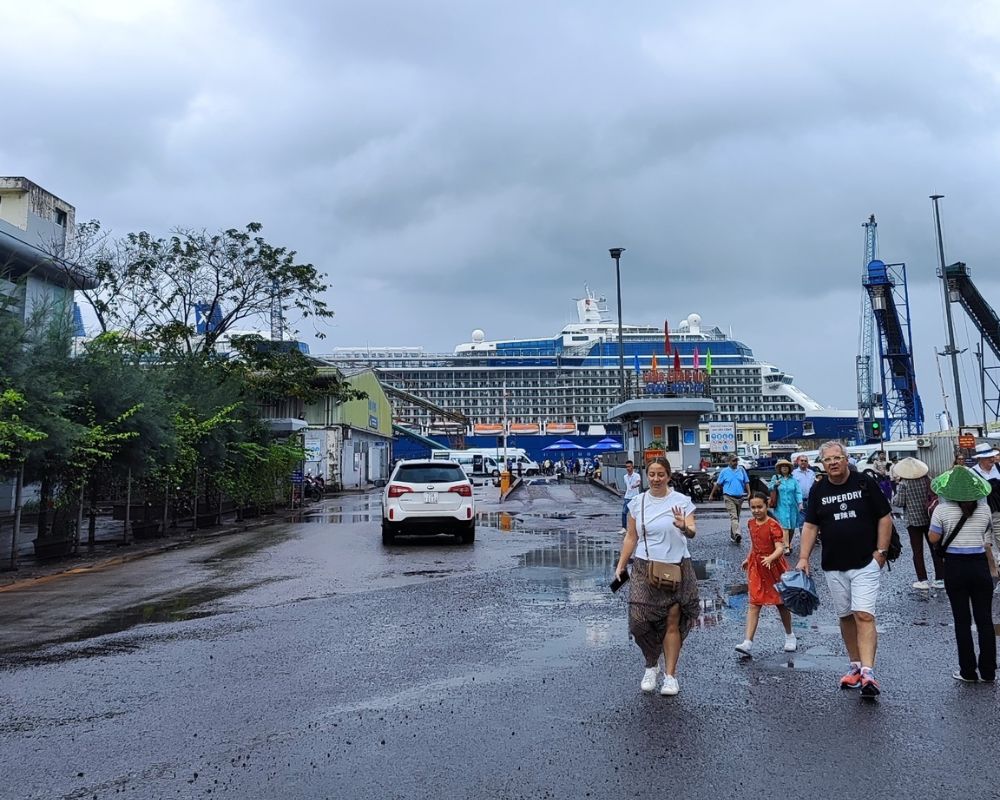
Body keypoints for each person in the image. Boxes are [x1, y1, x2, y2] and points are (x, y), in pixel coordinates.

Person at [796, 440, 893, 698]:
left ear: (846, 458)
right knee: (846, 616)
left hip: (865, 562)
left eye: (837, 458)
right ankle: (855, 666)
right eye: (828, 460)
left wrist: (881, 553)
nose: (833, 463)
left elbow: (885, 516)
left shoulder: (864, 483)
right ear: (823, 463)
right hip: (833, 564)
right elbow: (810, 526)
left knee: (864, 615)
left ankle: (869, 674)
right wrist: (803, 557)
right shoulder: (818, 490)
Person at [614, 457, 699, 697]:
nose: (656, 478)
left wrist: (683, 526)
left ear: (669, 476)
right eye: (652, 474)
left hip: (675, 566)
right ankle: (651, 664)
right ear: (647, 476)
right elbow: (631, 537)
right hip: (644, 565)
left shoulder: (682, 501)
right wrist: (621, 565)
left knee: (672, 621)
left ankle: (670, 677)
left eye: (661, 474)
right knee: (638, 620)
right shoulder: (638, 502)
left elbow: (692, 532)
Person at [927, 466, 997, 683]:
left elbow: (933, 538)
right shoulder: (985, 510)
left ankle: (968, 671)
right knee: (985, 619)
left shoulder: (941, 510)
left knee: (962, 621)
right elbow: (986, 538)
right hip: (979, 566)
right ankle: (988, 671)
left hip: (955, 567)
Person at [735, 492, 796, 657]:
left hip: (774, 568)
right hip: (757, 567)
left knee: (781, 603)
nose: (756, 510)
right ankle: (748, 642)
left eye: (759, 507)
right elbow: (754, 545)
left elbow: (780, 548)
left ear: (766, 505)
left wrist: (770, 558)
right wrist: (748, 559)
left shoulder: (773, 525)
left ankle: (790, 635)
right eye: (753, 507)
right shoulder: (750, 523)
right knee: (754, 603)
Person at [890, 457, 942, 590]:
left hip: (913, 521)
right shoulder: (927, 479)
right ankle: (940, 578)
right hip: (930, 518)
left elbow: (899, 502)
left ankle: (923, 580)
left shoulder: (903, 484)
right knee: (934, 549)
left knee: (917, 551)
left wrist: (894, 495)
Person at [708, 454, 750, 544]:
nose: (735, 463)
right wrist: (711, 495)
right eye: (733, 461)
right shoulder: (724, 472)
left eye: (736, 461)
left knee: (736, 517)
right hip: (728, 496)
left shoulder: (741, 470)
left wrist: (749, 493)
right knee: (734, 516)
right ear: (729, 462)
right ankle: (738, 534)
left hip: (740, 497)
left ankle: (733, 535)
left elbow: (746, 482)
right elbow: (718, 484)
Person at [969, 442, 1000, 553]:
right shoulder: (972, 473)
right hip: (981, 512)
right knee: (985, 543)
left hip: (998, 512)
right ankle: (991, 567)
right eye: (988, 458)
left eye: (992, 456)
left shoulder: (998, 467)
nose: (992, 459)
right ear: (980, 459)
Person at [767, 459, 803, 555]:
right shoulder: (776, 478)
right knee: (784, 527)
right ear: (779, 468)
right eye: (782, 467)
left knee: (791, 527)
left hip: (792, 507)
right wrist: (775, 484)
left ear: (789, 469)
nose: (784, 468)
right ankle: (786, 547)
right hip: (780, 506)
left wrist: (800, 503)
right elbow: (769, 487)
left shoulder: (793, 480)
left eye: (786, 467)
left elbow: (798, 492)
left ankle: (788, 543)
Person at [619, 460, 643, 534]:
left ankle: (638, 528)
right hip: (627, 496)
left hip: (635, 497)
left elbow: (639, 482)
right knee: (624, 512)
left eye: (629, 466)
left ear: (632, 467)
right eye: (626, 467)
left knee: (636, 513)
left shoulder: (636, 475)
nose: (628, 468)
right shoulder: (625, 477)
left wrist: (635, 485)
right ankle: (624, 528)